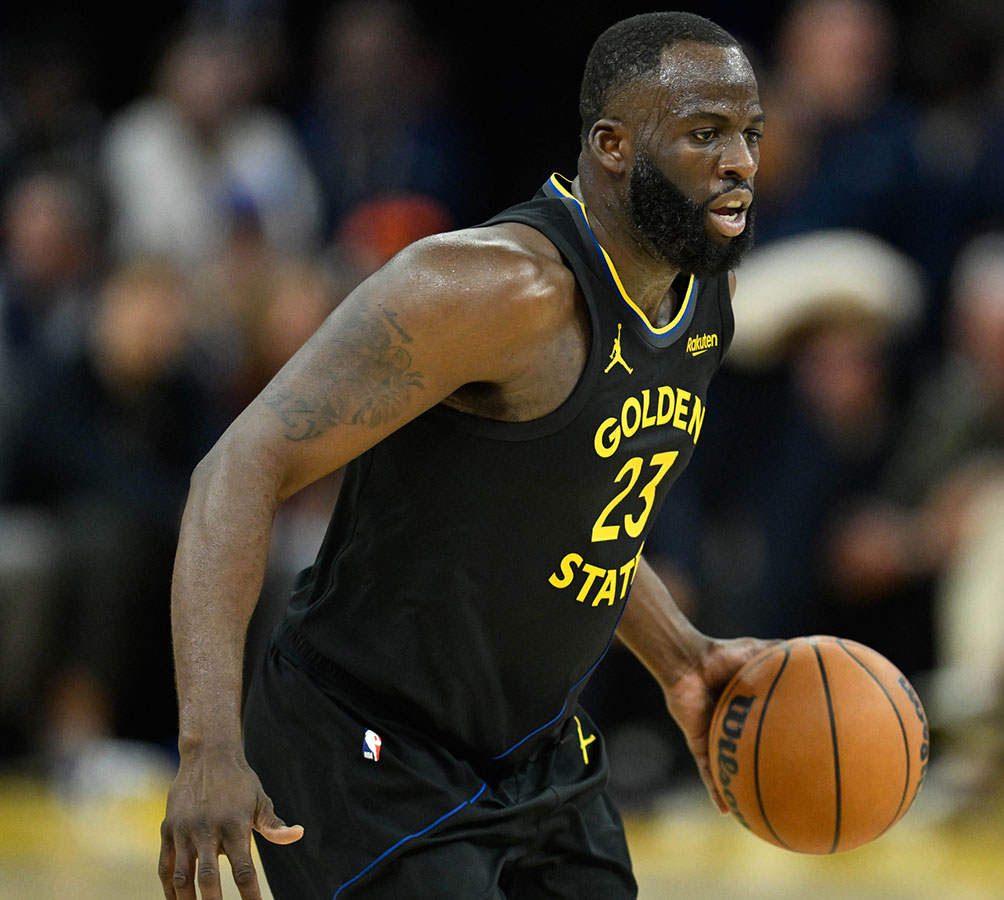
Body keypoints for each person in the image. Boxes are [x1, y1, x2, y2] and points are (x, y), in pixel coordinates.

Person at [158, 12, 768, 900]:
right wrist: (209, 743)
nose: (742, 161)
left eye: (751, 133)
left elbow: (572, 509)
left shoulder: (704, 296)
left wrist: (681, 658)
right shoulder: (488, 289)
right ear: (612, 145)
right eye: (704, 134)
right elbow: (236, 467)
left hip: (539, 754)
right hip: (367, 751)